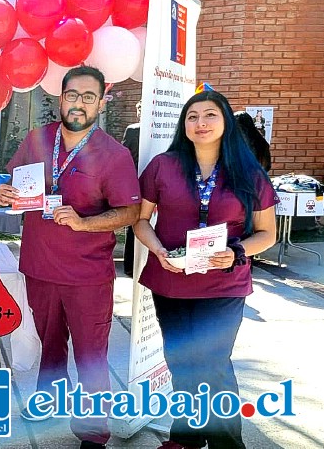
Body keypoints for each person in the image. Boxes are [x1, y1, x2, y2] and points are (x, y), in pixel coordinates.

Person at [0, 66, 141, 449]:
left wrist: (83, 223)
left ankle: (93, 434)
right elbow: (13, 184)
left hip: (87, 275)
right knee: (51, 345)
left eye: (88, 97)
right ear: (61, 98)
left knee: (91, 355)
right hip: (39, 267)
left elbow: (129, 213)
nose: (79, 104)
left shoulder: (114, 154)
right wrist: (5, 193)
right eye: (72, 95)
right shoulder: (37, 139)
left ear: (100, 102)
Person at [133, 88, 278, 449]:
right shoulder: (163, 167)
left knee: (213, 364)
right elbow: (140, 221)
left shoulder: (248, 173)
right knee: (180, 361)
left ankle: (228, 444)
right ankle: (185, 437)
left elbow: (268, 234)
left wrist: (237, 251)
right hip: (172, 281)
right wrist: (159, 249)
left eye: (210, 114)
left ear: (225, 121)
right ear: (183, 125)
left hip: (223, 285)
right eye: (192, 116)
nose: (201, 123)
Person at [121, 100, 142, 277]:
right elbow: (124, 154)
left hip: (142, 182)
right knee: (135, 223)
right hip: (136, 183)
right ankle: (130, 265)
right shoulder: (134, 130)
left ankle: (131, 266)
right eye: (138, 109)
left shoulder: (134, 130)